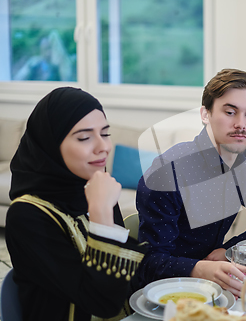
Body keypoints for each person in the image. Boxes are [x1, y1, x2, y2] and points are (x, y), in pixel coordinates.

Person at [135, 69, 246, 296]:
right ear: (205, 114)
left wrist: (229, 250)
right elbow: (149, 264)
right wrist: (201, 268)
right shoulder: (167, 173)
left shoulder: (245, 159)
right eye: (230, 112)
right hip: (165, 293)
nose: (241, 124)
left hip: (217, 286)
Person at [6, 87, 145, 321]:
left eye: (105, 133)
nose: (103, 147)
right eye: (84, 137)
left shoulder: (93, 186)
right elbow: (102, 302)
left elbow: (124, 278)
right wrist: (101, 213)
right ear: (52, 144)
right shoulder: (27, 215)